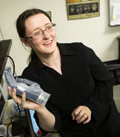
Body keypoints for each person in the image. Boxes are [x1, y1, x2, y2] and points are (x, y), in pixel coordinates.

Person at [8, 8, 120, 137]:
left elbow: (106, 82)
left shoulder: (80, 51)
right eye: (37, 33)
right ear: (25, 41)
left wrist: (90, 107)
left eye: (48, 27)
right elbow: (51, 127)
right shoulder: (31, 78)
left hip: (111, 127)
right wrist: (40, 108)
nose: (47, 36)